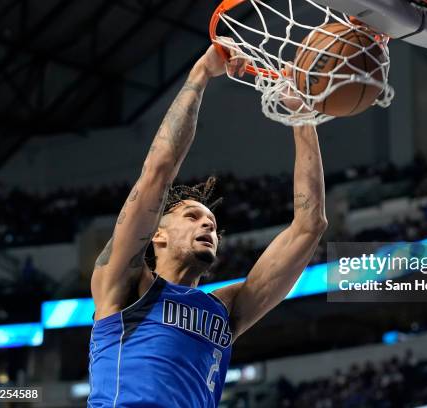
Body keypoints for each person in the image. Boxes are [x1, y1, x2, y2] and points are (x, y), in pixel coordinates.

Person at [87, 39, 327, 407]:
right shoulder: (123, 285)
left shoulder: (225, 310)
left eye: (212, 223)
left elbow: (309, 226)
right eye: (192, 216)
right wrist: (200, 74)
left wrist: (301, 117)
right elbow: (158, 171)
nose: (208, 226)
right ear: (158, 235)